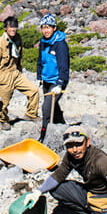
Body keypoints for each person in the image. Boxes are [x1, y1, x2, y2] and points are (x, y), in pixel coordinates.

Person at [0, 15, 40, 125]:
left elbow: (20, 56)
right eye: (10, 27)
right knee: (3, 102)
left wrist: (20, 70)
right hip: (4, 75)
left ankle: (31, 114)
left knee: (34, 91)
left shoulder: (17, 39)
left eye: (15, 27)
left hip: (16, 72)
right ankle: (3, 120)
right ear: (5, 28)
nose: (13, 29)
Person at [36, 12, 70, 142]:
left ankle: (43, 137)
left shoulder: (60, 45)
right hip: (46, 80)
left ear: (54, 28)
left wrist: (60, 83)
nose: (46, 30)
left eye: (48, 27)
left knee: (46, 109)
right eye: (44, 27)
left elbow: (64, 65)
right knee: (53, 108)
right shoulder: (43, 43)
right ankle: (63, 127)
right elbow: (40, 60)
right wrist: (39, 75)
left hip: (56, 81)